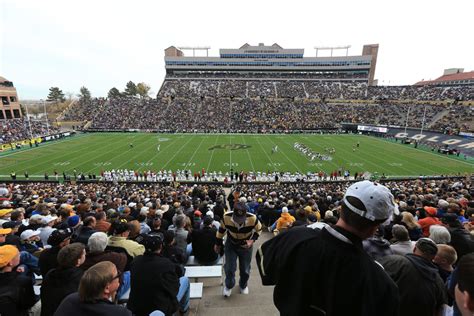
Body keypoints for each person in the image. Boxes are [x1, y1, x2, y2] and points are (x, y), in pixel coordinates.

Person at [257, 180, 400, 315]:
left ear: (341, 208)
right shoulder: (380, 281)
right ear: (377, 226)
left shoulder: (295, 237)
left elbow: (266, 269)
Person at [379, 238, 448, 316]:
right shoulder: (438, 280)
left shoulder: (395, 261)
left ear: (414, 248)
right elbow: (442, 308)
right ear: (433, 257)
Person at [128, 234, 190, 316]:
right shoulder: (166, 263)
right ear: (160, 247)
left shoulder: (135, 261)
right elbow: (175, 288)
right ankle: (184, 310)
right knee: (185, 280)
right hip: (160, 307)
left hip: (137, 307)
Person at [215, 201, 262, 297]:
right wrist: (218, 244)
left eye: (241, 219)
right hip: (231, 244)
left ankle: (243, 285)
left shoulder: (252, 218)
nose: (239, 221)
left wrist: (252, 240)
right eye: (237, 218)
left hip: (245, 245)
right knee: (229, 268)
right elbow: (221, 230)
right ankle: (229, 285)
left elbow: (259, 230)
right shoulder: (226, 217)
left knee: (245, 268)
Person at [54, 261, 131, 316]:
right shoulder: (121, 313)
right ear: (107, 288)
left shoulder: (70, 299)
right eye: (117, 275)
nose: (120, 277)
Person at [40, 243, 86, 316]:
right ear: (78, 261)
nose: (85, 256)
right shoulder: (82, 278)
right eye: (84, 255)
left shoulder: (50, 273)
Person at [0, 245, 38, 316]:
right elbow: (29, 303)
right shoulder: (23, 281)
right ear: (10, 263)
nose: (20, 255)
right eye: (17, 255)